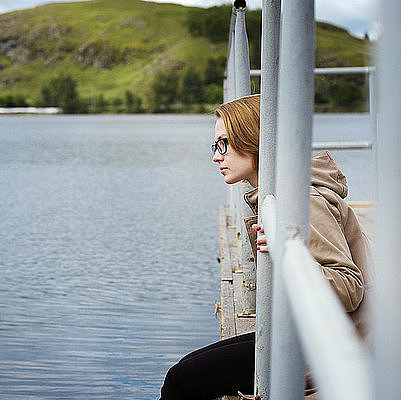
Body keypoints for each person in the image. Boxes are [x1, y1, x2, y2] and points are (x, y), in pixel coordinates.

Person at [159, 94, 372, 400]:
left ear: (252, 139)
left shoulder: (302, 201)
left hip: (332, 347)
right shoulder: (280, 194)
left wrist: (285, 251)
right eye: (215, 146)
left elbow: (350, 288)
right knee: (187, 369)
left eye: (224, 144)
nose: (217, 157)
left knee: (183, 379)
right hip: (311, 334)